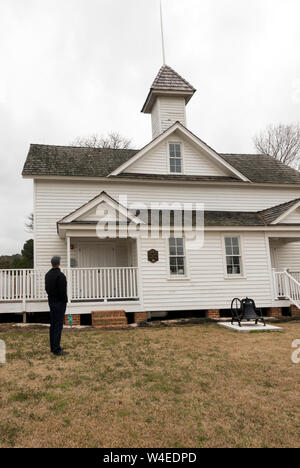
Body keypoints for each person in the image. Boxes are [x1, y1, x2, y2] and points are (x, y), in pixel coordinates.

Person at [45, 256, 69, 356]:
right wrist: (64, 301)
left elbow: (47, 289)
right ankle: (56, 349)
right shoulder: (61, 275)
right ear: (58, 263)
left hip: (51, 302)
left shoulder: (47, 275)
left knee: (53, 325)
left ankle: (53, 346)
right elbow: (63, 292)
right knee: (58, 326)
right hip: (59, 303)